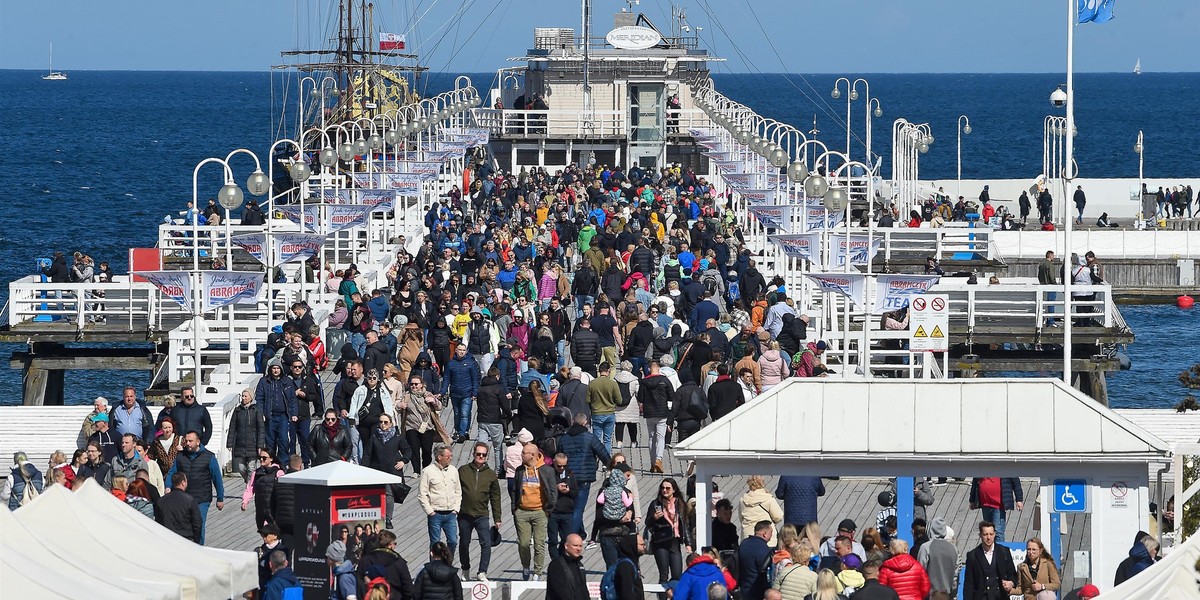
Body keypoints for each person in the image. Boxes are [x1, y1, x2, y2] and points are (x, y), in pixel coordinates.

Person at [165, 430, 225, 545]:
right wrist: (168, 486)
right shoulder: (181, 456)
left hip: (201, 498)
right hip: (184, 497)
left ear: (198, 442)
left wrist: (220, 498)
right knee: (184, 524)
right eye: (186, 441)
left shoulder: (209, 457)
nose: (187, 443)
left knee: (199, 524)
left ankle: (199, 548)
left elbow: (217, 478)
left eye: (190, 441)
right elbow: (172, 472)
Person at [557, 411, 611, 537]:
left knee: (574, 506)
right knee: (578, 509)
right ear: (585, 423)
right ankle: (571, 536)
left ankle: (581, 533)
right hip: (584, 478)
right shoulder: (589, 437)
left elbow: (559, 455)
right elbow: (602, 453)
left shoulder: (564, 438)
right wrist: (612, 466)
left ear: (573, 422)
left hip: (568, 477)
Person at [511, 442, 557, 581]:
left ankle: (538, 571)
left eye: (524, 453)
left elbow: (553, 492)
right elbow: (514, 490)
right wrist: (515, 508)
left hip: (540, 512)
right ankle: (526, 566)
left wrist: (547, 510)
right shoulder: (519, 470)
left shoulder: (547, 470)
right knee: (523, 543)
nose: (522, 454)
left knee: (539, 543)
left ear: (533, 455)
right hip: (522, 512)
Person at [457, 441, 502, 581]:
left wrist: (497, 518)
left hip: (482, 514)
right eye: (478, 454)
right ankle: (465, 568)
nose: (481, 456)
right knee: (464, 542)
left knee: (486, 543)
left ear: (487, 457)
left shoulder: (490, 475)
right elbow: (456, 490)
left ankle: (482, 571)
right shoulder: (463, 470)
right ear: (473, 454)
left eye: (483, 455)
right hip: (464, 513)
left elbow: (495, 497)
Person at [362, 413, 412, 528]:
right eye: (381, 422)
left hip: (392, 471)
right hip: (377, 471)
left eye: (385, 422)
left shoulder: (397, 437)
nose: (383, 424)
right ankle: (376, 517)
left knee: (389, 495)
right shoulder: (374, 437)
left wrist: (403, 461)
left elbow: (408, 450)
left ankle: (388, 518)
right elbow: (367, 454)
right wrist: (364, 469)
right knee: (376, 495)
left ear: (391, 424)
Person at [419, 444, 462, 560]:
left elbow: (458, 491)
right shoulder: (427, 471)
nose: (450, 458)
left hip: (450, 514)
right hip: (436, 514)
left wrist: (456, 509)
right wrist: (430, 511)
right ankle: (434, 566)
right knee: (435, 543)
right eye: (448, 456)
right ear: (439, 457)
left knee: (453, 541)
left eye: (451, 456)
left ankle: (448, 564)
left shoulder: (454, 470)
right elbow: (422, 494)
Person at [647, 476, 691, 586]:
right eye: (662, 488)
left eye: (668, 488)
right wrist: (654, 517)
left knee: (677, 574)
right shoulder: (655, 503)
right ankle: (662, 597)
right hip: (660, 541)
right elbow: (647, 522)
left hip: (674, 541)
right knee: (664, 574)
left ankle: (673, 595)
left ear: (674, 490)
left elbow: (685, 524)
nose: (664, 490)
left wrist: (688, 543)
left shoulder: (680, 504)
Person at [638, 359, 676, 474]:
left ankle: (652, 462)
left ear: (649, 369)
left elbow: (640, 398)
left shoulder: (644, 382)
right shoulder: (664, 380)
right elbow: (671, 396)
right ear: (659, 369)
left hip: (649, 412)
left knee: (651, 438)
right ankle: (659, 460)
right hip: (662, 412)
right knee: (660, 438)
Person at [963, 521, 1017, 600]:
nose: (989, 537)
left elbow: (1012, 575)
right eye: (985, 534)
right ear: (980, 535)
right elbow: (969, 584)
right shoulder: (972, 555)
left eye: (991, 534)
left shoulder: (1004, 552)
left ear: (995, 534)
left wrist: (1011, 583)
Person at [356, 529, 417, 600]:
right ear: (390, 545)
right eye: (395, 544)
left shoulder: (365, 560)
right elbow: (409, 589)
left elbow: (358, 584)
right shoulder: (398, 562)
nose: (395, 547)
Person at [441, 345, 481, 442]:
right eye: (460, 350)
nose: (462, 352)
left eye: (464, 350)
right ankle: (459, 430)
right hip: (455, 393)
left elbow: (475, 379)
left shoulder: (471, 363)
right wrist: (442, 391)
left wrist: (475, 392)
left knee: (464, 413)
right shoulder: (451, 364)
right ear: (456, 350)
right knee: (457, 413)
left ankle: (462, 433)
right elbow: (446, 379)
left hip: (467, 393)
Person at [227, 388, 265, 481]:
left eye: (245, 396)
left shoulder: (256, 410)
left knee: (251, 468)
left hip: (253, 444)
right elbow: (232, 427)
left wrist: (260, 445)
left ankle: (249, 488)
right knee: (241, 468)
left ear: (251, 398)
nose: (243, 398)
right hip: (240, 444)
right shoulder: (237, 410)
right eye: (242, 396)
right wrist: (229, 443)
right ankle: (249, 482)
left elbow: (261, 429)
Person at [969, 477, 1023, 542]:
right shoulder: (981, 467)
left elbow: (1016, 482)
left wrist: (1019, 499)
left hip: (998, 506)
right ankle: (990, 551)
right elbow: (975, 482)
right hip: (985, 504)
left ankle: (999, 551)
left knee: (997, 532)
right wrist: (972, 500)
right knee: (987, 532)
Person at [157, 472, 203, 542]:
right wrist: (196, 541)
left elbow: (158, 521)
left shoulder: (161, 501)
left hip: (167, 539)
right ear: (183, 483)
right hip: (187, 539)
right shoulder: (190, 500)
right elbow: (197, 523)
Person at [917, 517, 958, 595]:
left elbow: (920, 571)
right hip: (947, 593)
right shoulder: (953, 548)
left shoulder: (925, 547)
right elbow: (956, 573)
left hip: (930, 594)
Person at [740, 475, 784, 548]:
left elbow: (741, 518)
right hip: (767, 538)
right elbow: (778, 516)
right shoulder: (768, 499)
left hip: (747, 538)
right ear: (762, 483)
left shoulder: (743, 500)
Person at [738, 520, 776, 600]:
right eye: (771, 532)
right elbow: (765, 572)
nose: (771, 535)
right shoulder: (764, 550)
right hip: (757, 590)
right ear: (764, 534)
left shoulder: (744, 544)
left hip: (743, 588)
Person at [546, 533, 588, 600]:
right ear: (566, 546)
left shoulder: (580, 565)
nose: (578, 549)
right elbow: (561, 592)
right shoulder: (557, 565)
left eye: (580, 546)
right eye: (575, 545)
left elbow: (584, 591)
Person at [255, 523, 291, 591]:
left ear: (275, 536)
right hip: (264, 587)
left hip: (279, 586)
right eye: (262, 535)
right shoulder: (258, 551)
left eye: (266, 535)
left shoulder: (284, 550)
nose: (263, 537)